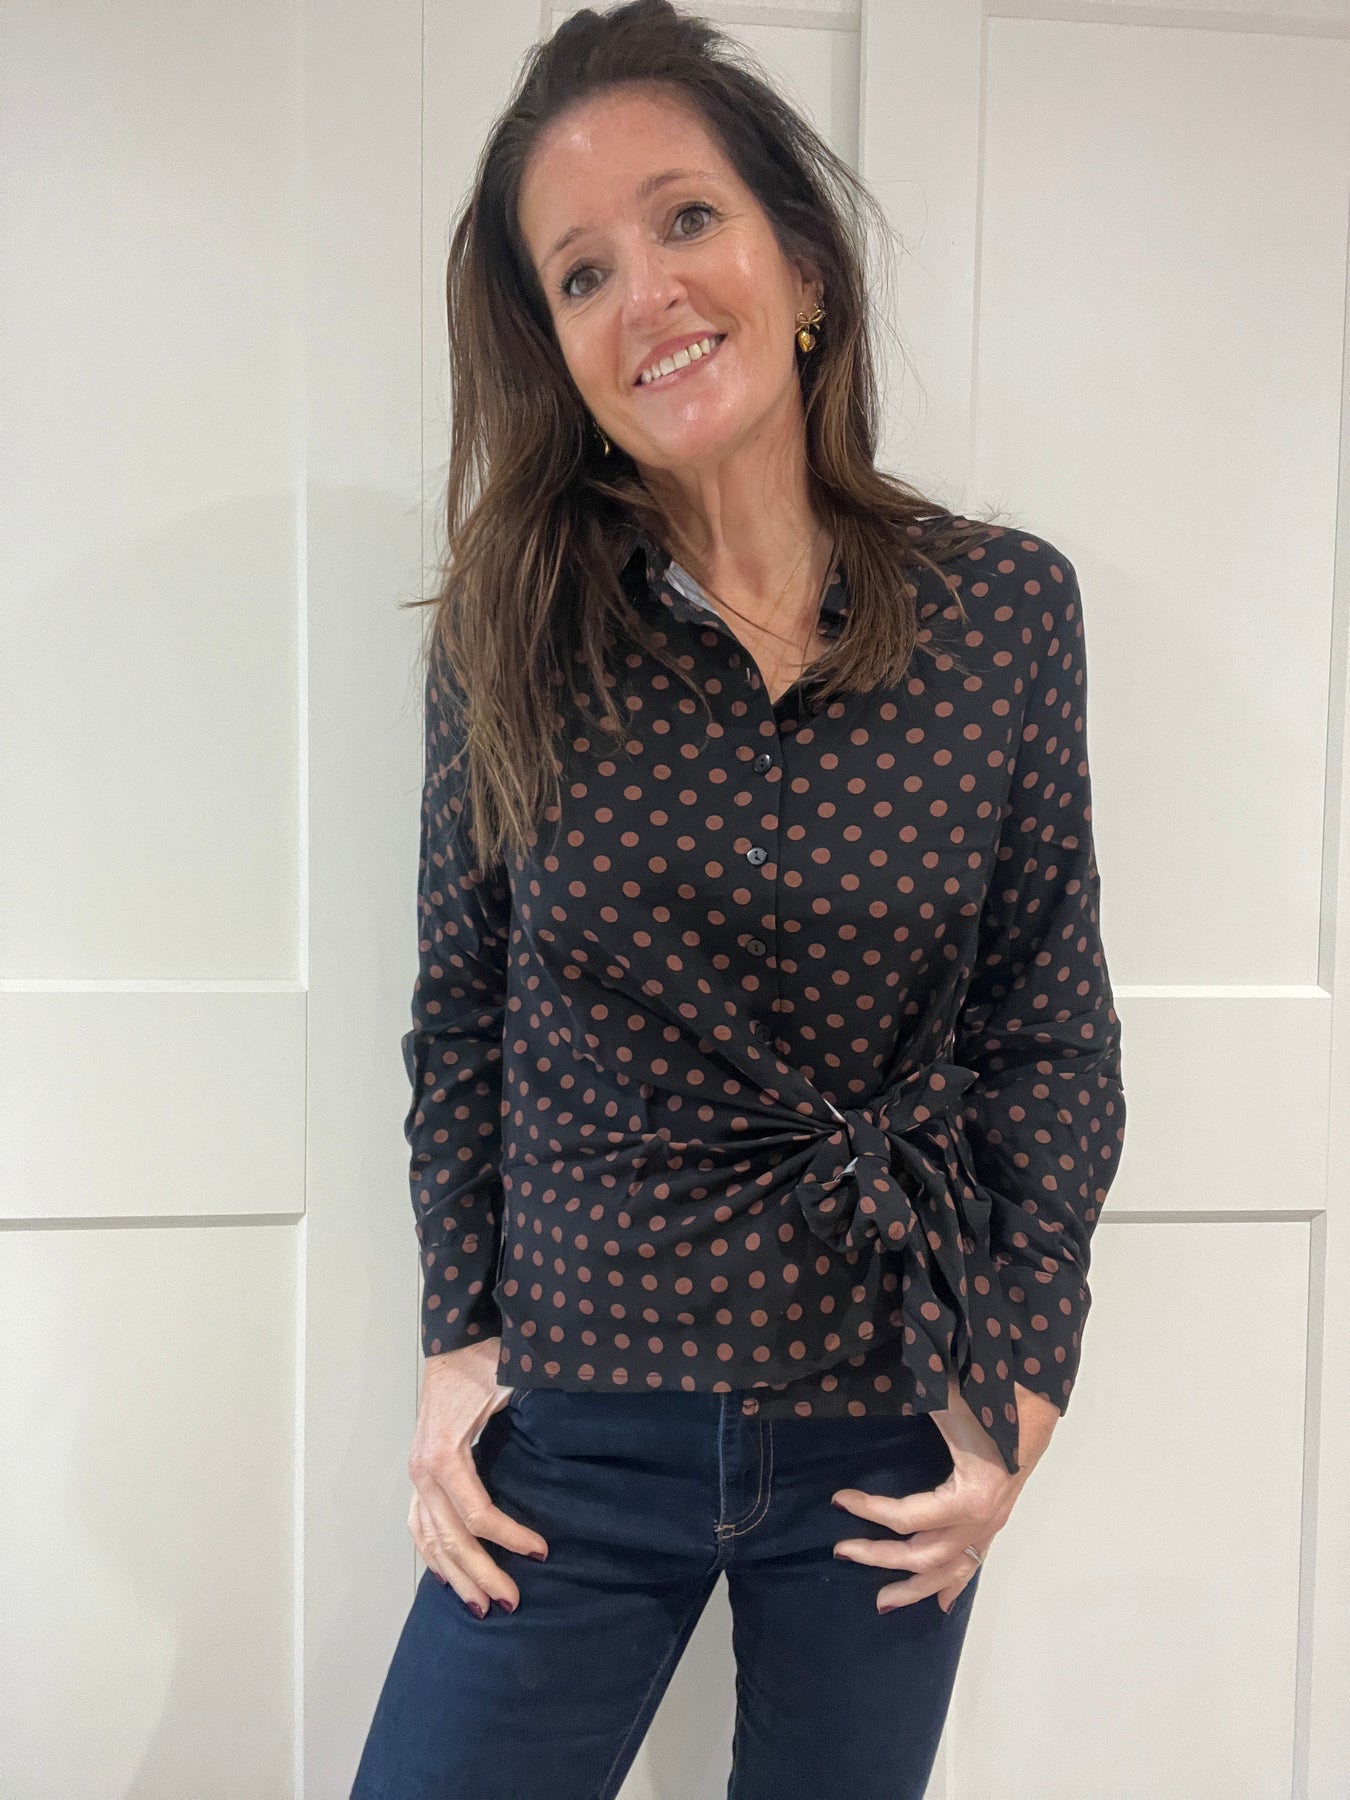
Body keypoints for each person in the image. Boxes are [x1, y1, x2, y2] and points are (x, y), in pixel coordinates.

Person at [352, 3, 1127, 1796]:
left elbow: (1047, 1029)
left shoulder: (1004, 612)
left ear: (803, 268)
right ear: (555, 349)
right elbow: (461, 1013)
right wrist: (458, 1338)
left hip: (887, 1408)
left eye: (685, 218)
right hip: (576, 1419)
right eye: (580, 272)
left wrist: (1023, 1387)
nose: (647, 294)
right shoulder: (508, 634)